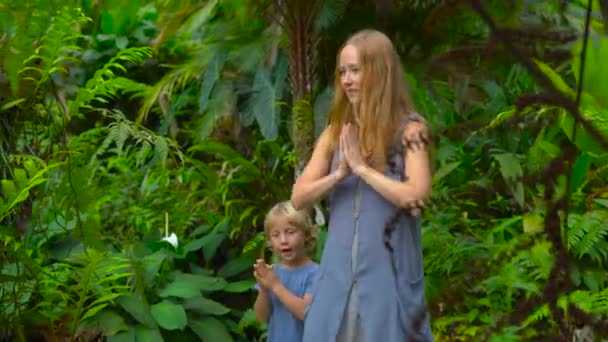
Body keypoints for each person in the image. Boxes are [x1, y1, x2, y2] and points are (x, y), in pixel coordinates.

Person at [292, 29, 434, 341]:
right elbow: (299, 197)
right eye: (343, 72)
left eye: (355, 70)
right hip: (336, 282)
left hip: (388, 280)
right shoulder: (334, 133)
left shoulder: (411, 131)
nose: (347, 80)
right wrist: (340, 173)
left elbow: (417, 195)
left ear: (379, 71)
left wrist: (363, 170)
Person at [253, 201, 320, 342]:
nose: (283, 240)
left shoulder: (316, 273)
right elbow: (261, 317)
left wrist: (275, 286)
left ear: (306, 235)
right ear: (270, 241)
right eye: (276, 235)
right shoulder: (273, 273)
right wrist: (265, 289)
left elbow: (306, 314)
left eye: (290, 232)